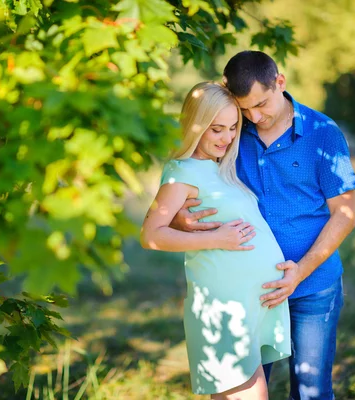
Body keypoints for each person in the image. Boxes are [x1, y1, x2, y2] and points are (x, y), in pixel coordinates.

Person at [170, 51, 355, 400]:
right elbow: (191, 184)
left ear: (280, 83)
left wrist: (299, 271)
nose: (255, 117)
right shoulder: (232, 132)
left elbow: (345, 213)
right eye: (245, 109)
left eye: (262, 104)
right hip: (249, 292)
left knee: (311, 391)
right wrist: (182, 220)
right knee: (248, 388)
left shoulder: (323, 134)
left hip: (312, 287)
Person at [141, 82, 291, 399]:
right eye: (216, 129)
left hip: (247, 304)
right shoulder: (182, 170)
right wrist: (217, 238)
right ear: (196, 126)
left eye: (233, 128)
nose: (226, 138)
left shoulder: (219, 168)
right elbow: (151, 235)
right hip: (223, 307)